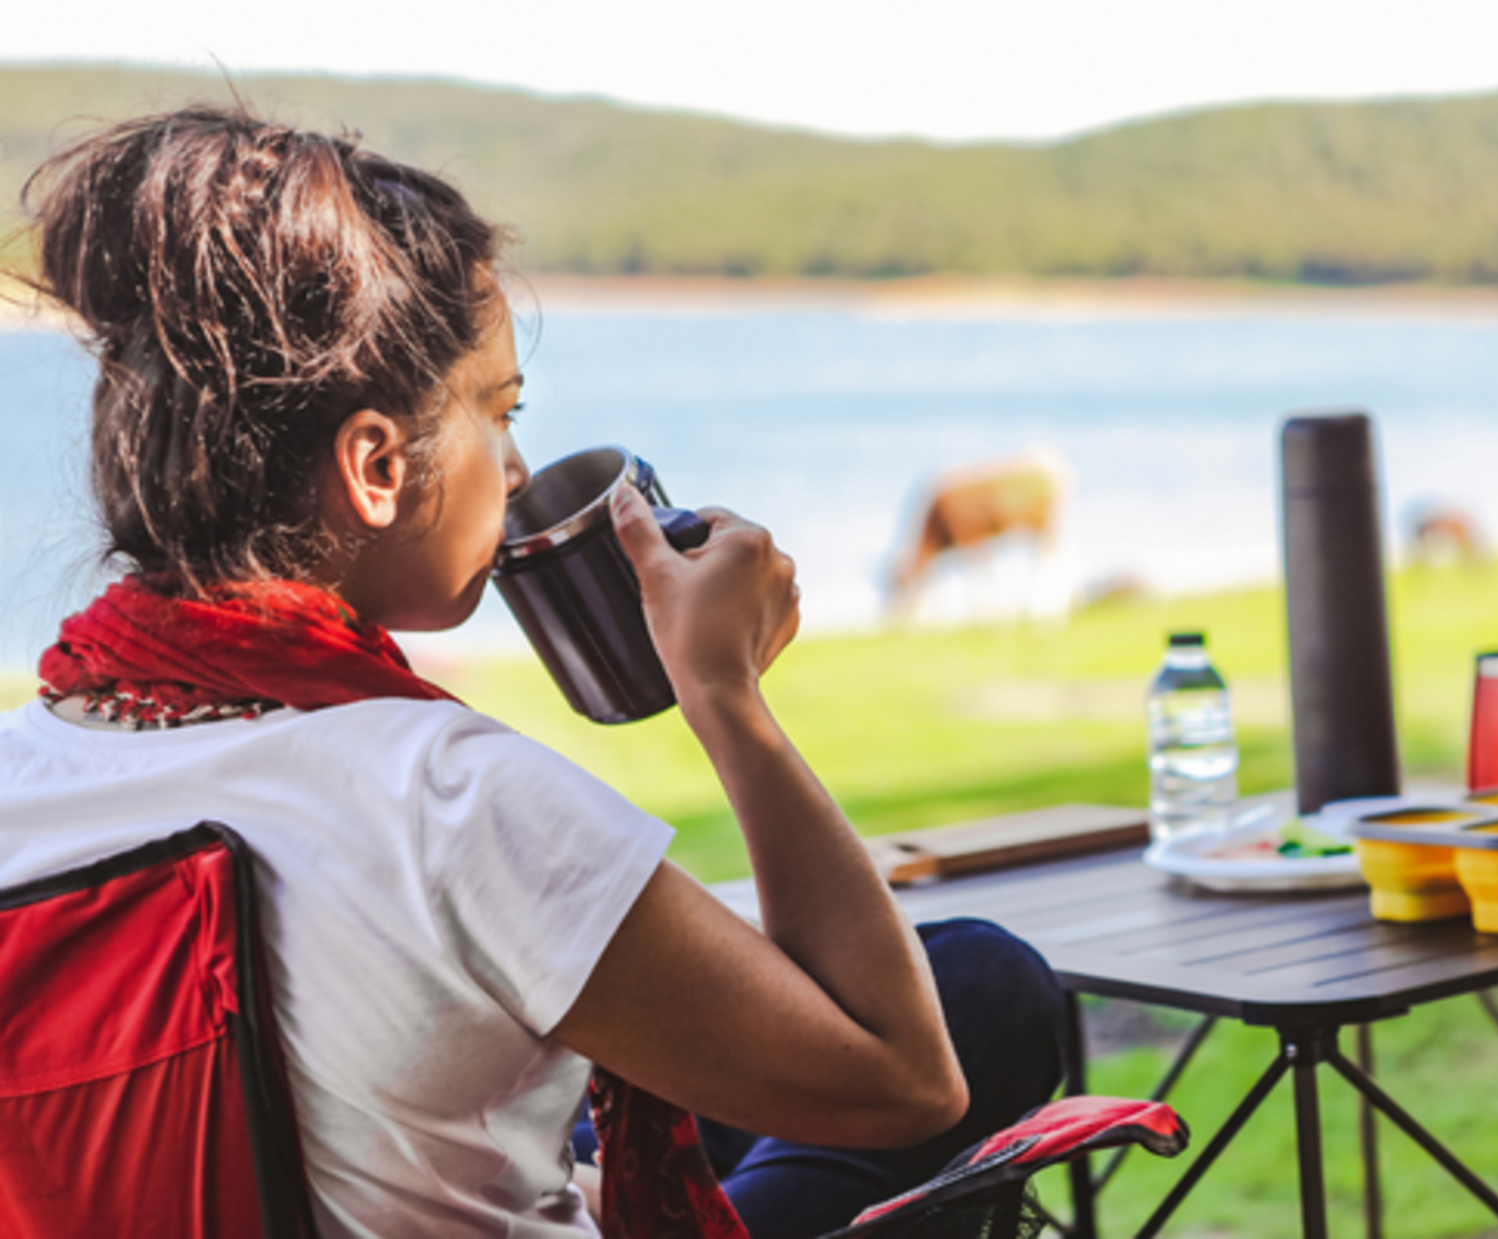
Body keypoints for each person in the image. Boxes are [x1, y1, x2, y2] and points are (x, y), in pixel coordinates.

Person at [0, 106, 1063, 1238]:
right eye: (498, 415)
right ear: (375, 466)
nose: (512, 471)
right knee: (983, 989)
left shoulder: (27, 769)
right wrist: (726, 697)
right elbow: (901, 1084)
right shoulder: (446, 797)